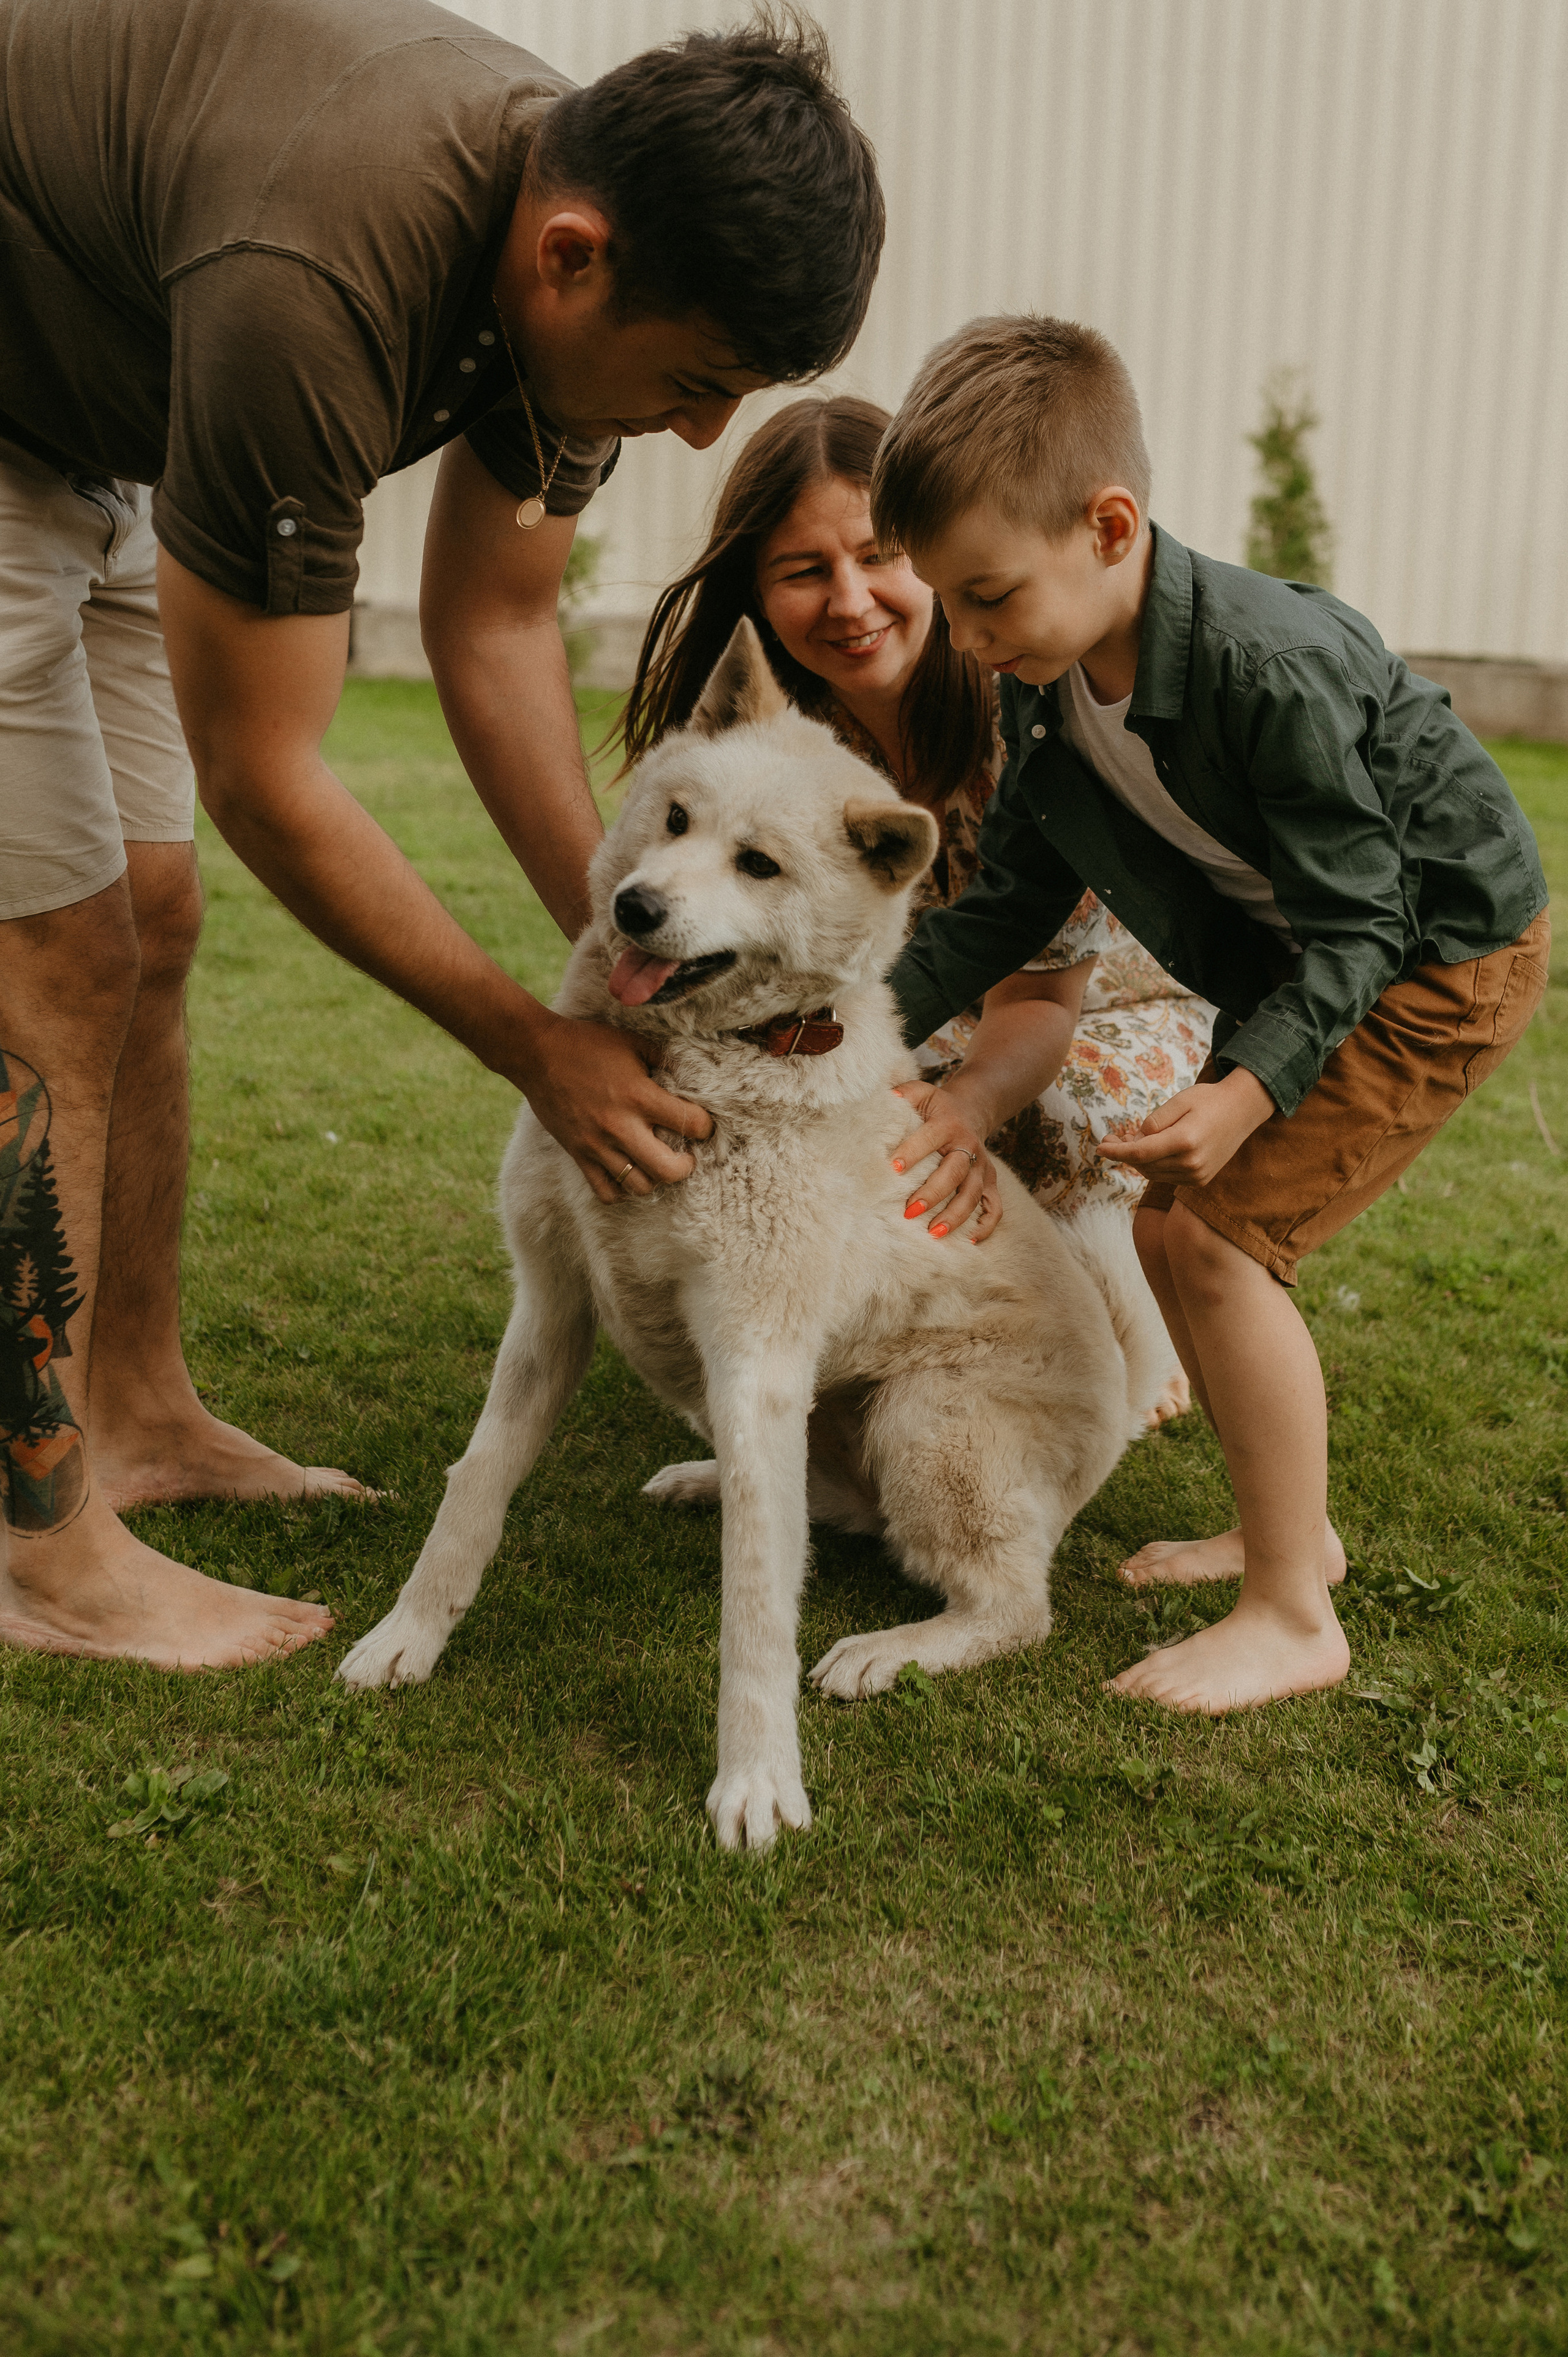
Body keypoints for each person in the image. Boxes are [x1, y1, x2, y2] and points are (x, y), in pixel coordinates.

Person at [0, 0, 883, 1668]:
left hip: (101, 426)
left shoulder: (573, 226)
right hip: (23, 410)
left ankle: (138, 1410)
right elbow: (267, 767)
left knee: (155, 922)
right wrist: (540, 1049)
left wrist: (643, 953)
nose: (701, 436)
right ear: (572, 259)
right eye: (697, 384)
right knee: (56, 946)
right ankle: (36, 1546)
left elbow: (493, 626)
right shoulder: (314, 274)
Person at [870, 314, 1550, 1716]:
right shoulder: (1055, 694)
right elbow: (1010, 910)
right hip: (1312, 952)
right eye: (954, 604)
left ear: (1108, 526)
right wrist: (849, 1024)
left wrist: (1244, 1090)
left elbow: (1370, 916)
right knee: (1178, 1237)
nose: (972, 640)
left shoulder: (1257, 665)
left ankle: (1294, 1613)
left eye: (989, 597)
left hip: (1438, 954)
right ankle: (1281, 1530)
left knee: (1220, 1238)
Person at [620, 396, 1215, 1314]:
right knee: (807, 1095)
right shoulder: (755, 734)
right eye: (803, 570)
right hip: (917, 1008)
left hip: (1098, 1005)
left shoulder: (1024, 710)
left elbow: (1042, 999)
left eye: (879, 556)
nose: (850, 602)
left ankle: (1121, 1296)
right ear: (757, 591)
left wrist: (966, 1111)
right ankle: (816, 1296)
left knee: (1032, 1119)